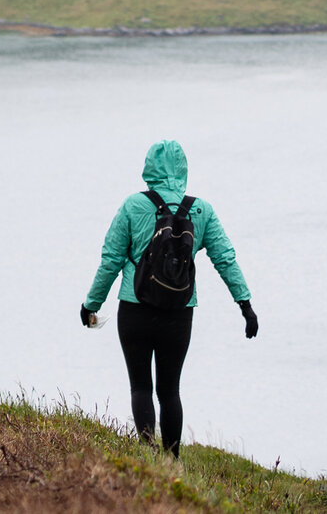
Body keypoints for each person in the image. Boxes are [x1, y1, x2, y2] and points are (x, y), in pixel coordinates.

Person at [79, 139, 257, 458]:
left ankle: (148, 456)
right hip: (179, 311)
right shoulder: (201, 210)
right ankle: (172, 461)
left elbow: (111, 261)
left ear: (148, 169)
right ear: (184, 170)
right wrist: (245, 305)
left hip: (135, 308)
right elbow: (225, 259)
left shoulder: (133, 205)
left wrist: (91, 304)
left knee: (141, 387)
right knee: (169, 390)